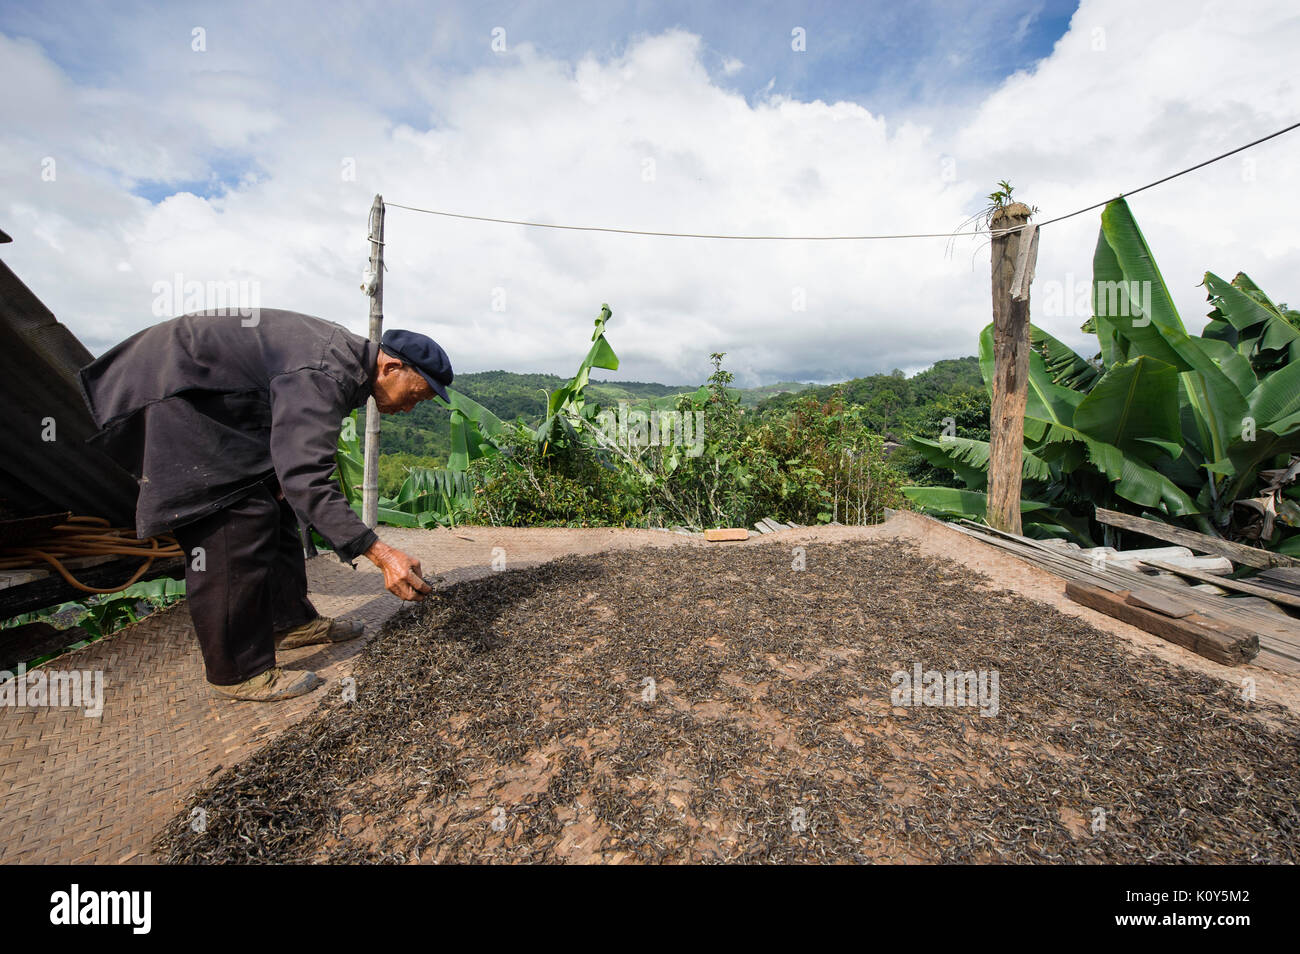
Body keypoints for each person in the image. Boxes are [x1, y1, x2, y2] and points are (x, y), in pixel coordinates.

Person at [77, 308, 451, 701]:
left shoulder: (345, 365)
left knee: (275, 500)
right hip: (167, 393)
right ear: (392, 367)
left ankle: (288, 622)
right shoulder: (326, 371)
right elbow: (308, 476)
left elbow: (289, 446)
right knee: (235, 518)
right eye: (415, 396)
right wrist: (379, 552)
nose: (409, 409)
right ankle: (237, 671)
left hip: (217, 404)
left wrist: (279, 479)